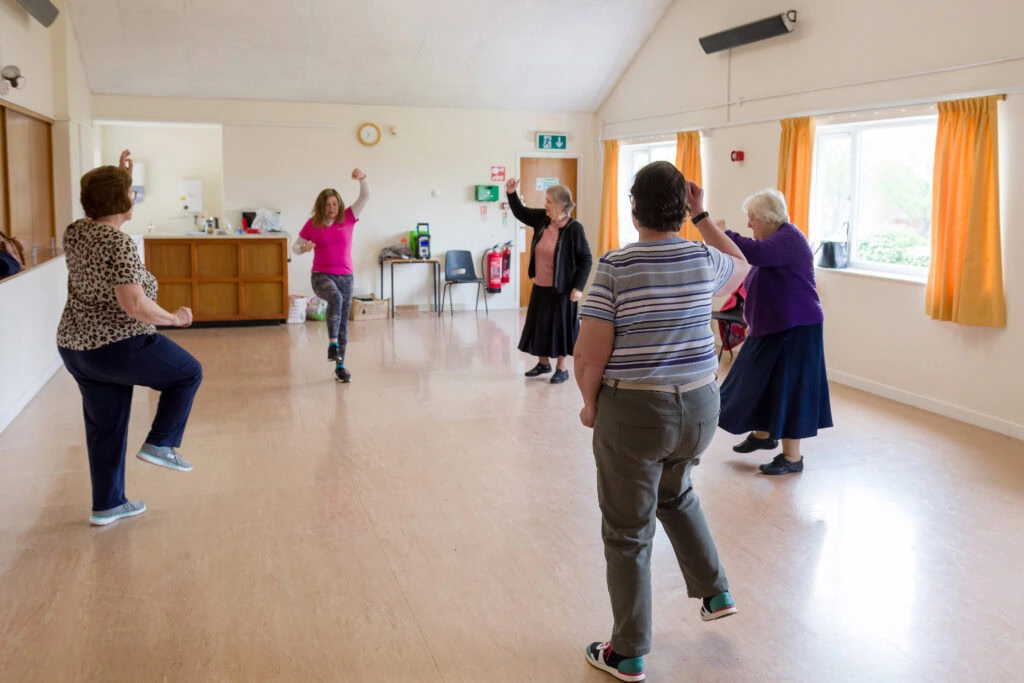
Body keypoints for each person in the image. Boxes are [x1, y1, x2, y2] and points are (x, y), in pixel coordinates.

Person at [574, 160, 749, 682]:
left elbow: (589, 355)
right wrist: (703, 215)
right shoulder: (703, 257)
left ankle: (626, 651)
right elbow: (741, 266)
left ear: (634, 208)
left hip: (637, 412)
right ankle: (715, 591)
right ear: (682, 207)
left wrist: (589, 404)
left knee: (627, 531)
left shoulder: (616, 266)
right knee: (676, 491)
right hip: (699, 407)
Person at [57, 150, 202, 526]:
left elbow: (104, 219)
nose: (134, 197)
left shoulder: (76, 232)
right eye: (130, 193)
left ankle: (107, 504)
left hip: (77, 348)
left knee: (106, 426)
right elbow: (135, 305)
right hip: (118, 344)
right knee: (187, 373)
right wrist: (173, 318)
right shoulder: (118, 243)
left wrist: (121, 177)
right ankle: (162, 442)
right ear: (120, 201)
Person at [718, 188, 833, 475]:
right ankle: (763, 435)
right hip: (773, 329)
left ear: (768, 218)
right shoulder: (774, 239)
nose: (749, 225)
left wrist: (722, 233)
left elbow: (755, 252)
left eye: (752, 218)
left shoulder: (788, 239)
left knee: (790, 388)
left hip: (797, 329)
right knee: (760, 380)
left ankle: (792, 458)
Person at [506, 178, 592, 384]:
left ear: (562, 205)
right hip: (540, 285)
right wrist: (511, 193)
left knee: (561, 328)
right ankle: (543, 363)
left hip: (563, 288)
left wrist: (578, 287)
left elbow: (586, 259)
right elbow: (521, 212)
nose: (545, 205)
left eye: (549, 201)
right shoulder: (543, 220)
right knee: (539, 325)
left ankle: (562, 369)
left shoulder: (574, 229)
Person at [293, 169, 369, 383]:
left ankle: (340, 367)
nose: (331, 208)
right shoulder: (313, 224)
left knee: (343, 321)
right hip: (321, 276)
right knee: (335, 297)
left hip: (346, 276)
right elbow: (296, 247)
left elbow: (365, 196)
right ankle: (332, 343)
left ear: (339, 204)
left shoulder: (349, 217)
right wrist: (304, 248)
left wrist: (362, 179)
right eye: (327, 204)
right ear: (321, 206)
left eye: (334, 204)